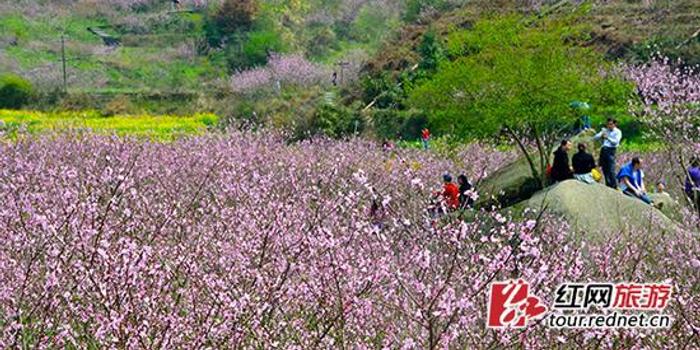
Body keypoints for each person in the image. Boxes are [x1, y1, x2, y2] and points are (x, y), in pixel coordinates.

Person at [594, 118, 622, 188]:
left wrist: (608, 137)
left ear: (614, 124)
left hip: (611, 150)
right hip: (604, 149)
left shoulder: (617, 132)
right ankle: (608, 184)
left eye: (611, 124)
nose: (609, 126)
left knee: (611, 168)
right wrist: (601, 134)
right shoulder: (605, 130)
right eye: (608, 124)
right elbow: (595, 137)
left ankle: (614, 185)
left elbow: (616, 142)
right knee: (604, 168)